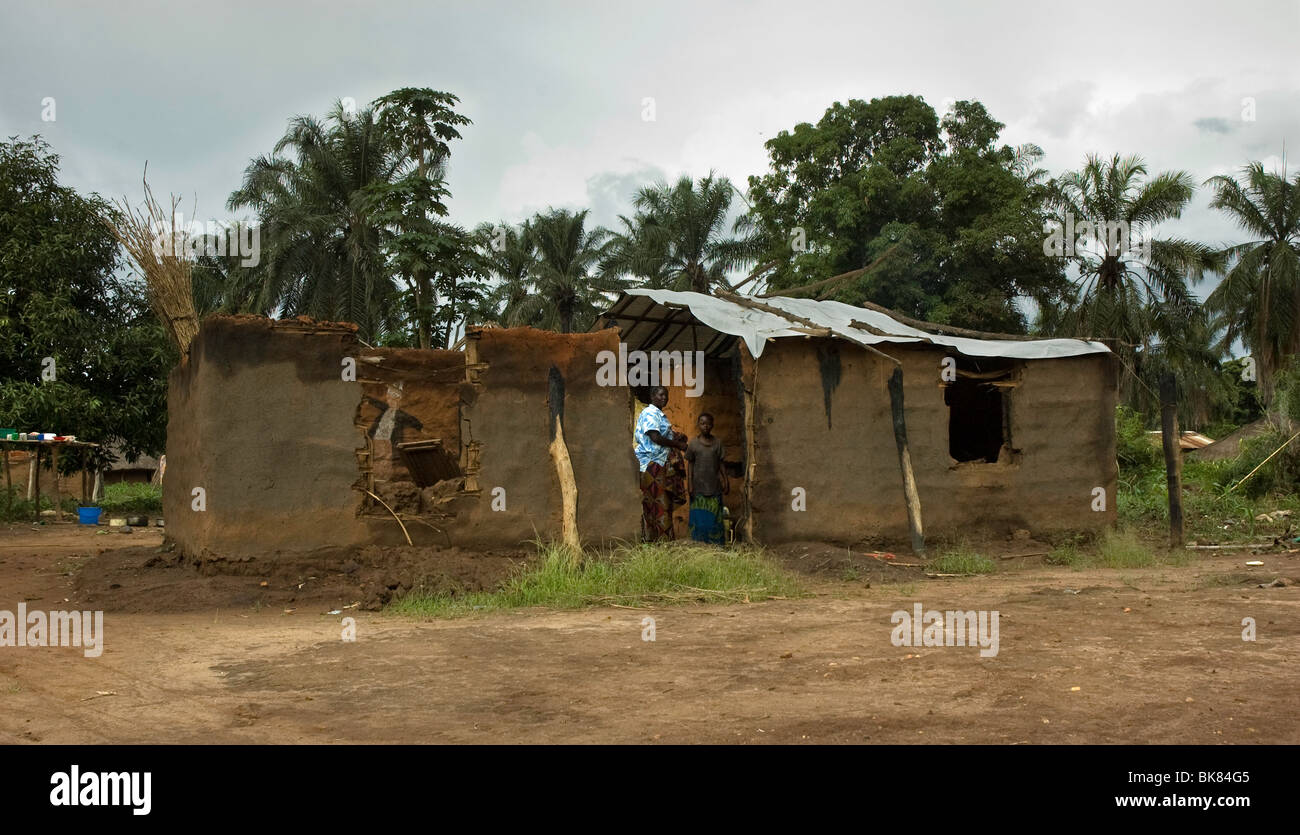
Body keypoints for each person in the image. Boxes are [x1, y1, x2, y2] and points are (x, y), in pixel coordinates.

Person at [634, 386, 687, 541]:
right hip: (652, 464)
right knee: (658, 503)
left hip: (658, 463)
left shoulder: (659, 415)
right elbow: (655, 437)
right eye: (661, 395)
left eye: (666, 395)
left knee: (660, 503)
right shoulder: (650, 413)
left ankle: (658, 541)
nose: (664, 398)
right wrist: (677, 445)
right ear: (652, 396)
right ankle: (661, 542)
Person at [685, 413, 728, 544]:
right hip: (698, 488)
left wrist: (726, 480)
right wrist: (690, 484)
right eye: (702, 423)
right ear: (698, 425)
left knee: (714, 519)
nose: (705, 426)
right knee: (699, 520)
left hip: (714, 487)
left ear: (712, 425)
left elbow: (721, 463)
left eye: (708, 423)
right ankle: (698, 546)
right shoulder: (693, 444)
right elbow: (690, 465)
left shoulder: (718, 443)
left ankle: (716, 547)